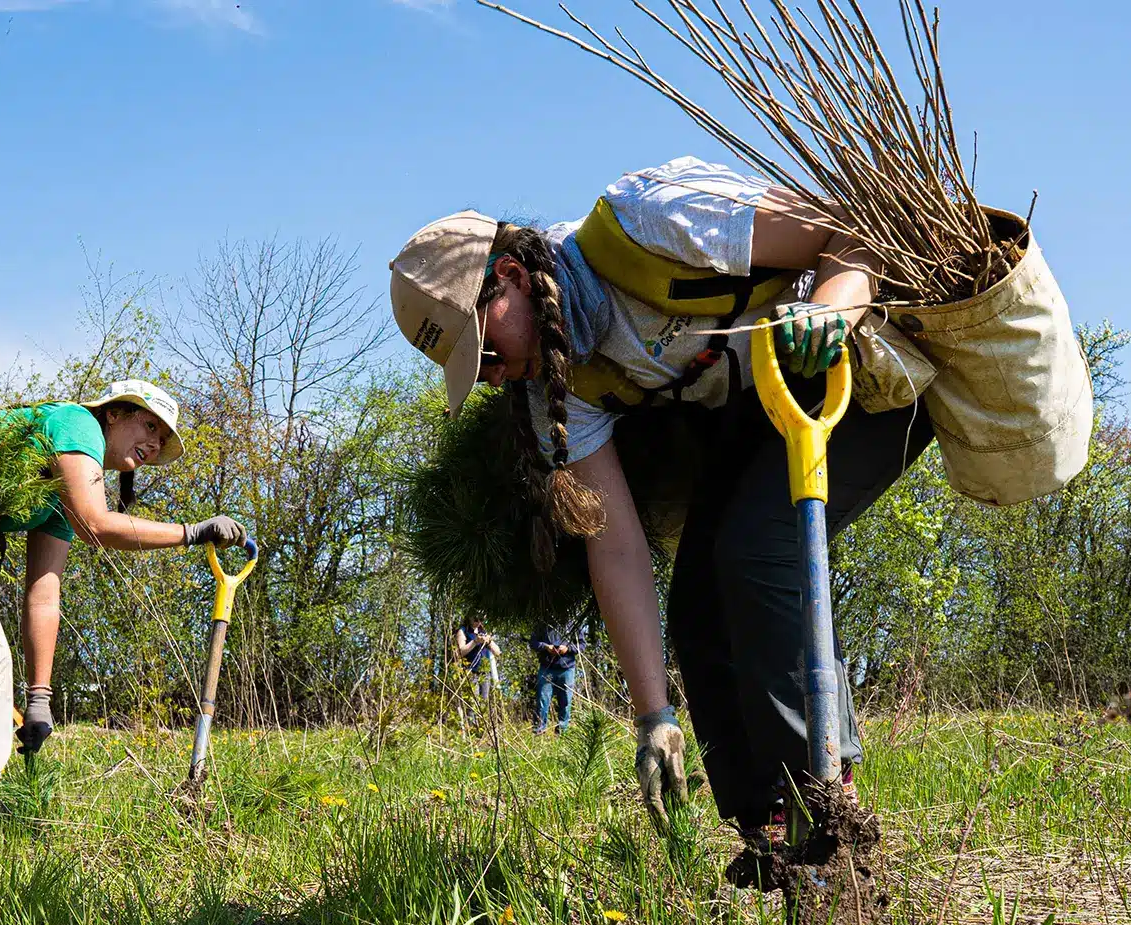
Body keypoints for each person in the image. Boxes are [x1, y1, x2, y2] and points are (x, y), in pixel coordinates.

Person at [390, 157, 934, 864]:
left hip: (870, 370)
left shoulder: (654, 221)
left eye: (485, 351)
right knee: (699, 603)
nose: (490, 375)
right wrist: (654, 718)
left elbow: (852, 228)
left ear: (512, 280)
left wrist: (833, 305)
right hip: (768, 412)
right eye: (474, 368)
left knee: (757, 550)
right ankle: (770, 835)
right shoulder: (562, 381)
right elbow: (613, 544)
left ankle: (831, 812)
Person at [0, 380, 248, 834]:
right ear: (113, 415)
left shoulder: (65, 485)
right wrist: (191, 532)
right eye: (149, 424)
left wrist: (38, 699)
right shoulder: (77, 423)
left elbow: (43, 595)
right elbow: (98, 526)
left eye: (162, 439)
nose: (154, 442)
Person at [528, 622, 577, 735]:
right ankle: (538, 732)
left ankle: (562, 733)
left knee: (566, 702)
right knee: (542, 701)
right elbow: (533, 643)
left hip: (567, 669)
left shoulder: (573, 622)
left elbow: (582, 645)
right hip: (546, 668)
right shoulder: (542, 622)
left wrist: (567, 649)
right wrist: (546, 647)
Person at [452, 616, 500, 727]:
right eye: (476, 619)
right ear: (470, 618)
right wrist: (475, 641)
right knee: (472, 703)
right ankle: (471, 728)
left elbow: (498, 652)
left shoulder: (483, 631)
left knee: (483, 702)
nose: (478, 622)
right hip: (470, 670)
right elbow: (459, 653)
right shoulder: (463, 631)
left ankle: (482, 729)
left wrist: (489, 642)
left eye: (481, 620)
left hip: (485, 671)